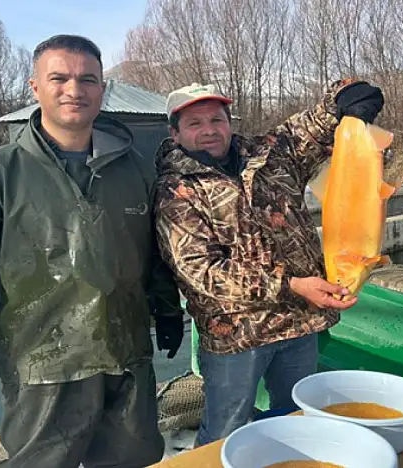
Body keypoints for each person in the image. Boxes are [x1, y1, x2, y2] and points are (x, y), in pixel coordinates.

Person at [0, 34, 184, 468]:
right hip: (42, 361)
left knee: (133, 456)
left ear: (102, 91)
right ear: (35, 88)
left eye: (88, 79)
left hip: (125, 353)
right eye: (60, 78)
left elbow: (155, 252)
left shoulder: (136, 169)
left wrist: (166, 311)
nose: (75, 89)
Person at [152, 78, 384, 447]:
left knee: (296, 419)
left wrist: (346, 100)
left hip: (297, 324)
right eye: (195, 124)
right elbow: (202, 273)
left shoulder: (270, 153)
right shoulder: (176, 191)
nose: (209, 131)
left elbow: (311, 126)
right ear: (175, 134)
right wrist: (291, 285)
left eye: (217, 119)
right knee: (225, 431)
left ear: (230, 121)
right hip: (236, 338)